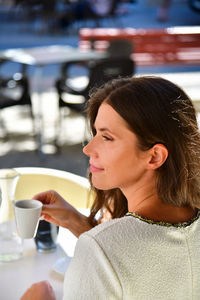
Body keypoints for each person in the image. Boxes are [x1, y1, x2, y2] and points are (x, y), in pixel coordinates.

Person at [21, 76, 200, 299]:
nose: (88, 149)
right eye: (95, 133)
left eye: (107, 137)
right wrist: (78, 224)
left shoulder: (100, 249)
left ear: (154, 157)